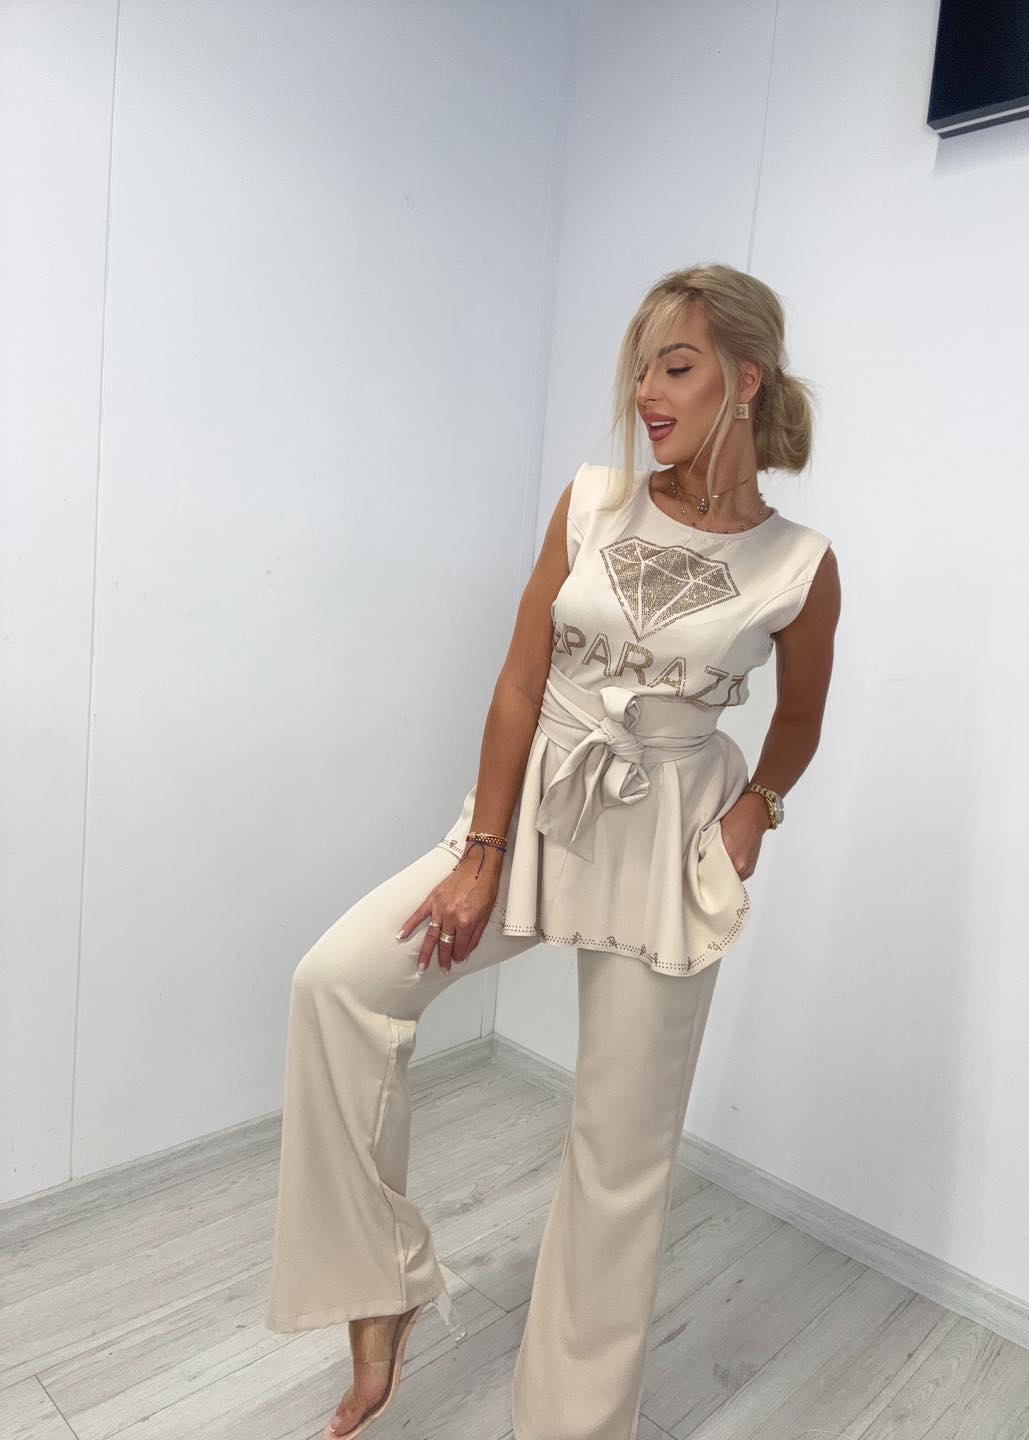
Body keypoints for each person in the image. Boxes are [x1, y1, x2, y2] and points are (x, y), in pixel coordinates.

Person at [264, 262, 842, 1440]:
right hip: (535, 811)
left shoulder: (800, 563)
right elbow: (522, 679)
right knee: (339, 984)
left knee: (621, 1156)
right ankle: (381, 1285)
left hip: (668, 847)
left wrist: (758, 807)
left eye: (674, 367)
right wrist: (481, 850)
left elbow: (800, 717)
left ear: (745, 379)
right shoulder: (592, 501)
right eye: (638, 371)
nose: (645, 395)